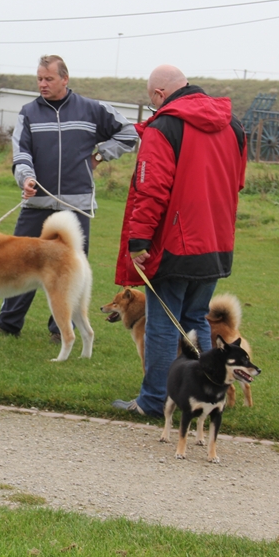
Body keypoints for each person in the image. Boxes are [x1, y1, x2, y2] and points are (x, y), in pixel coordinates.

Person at [111, 65, 247, 417]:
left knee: (161, 324)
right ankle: (202, 394)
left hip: (176, 243)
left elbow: (151, 188)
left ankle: (155, 400)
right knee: (196, 321)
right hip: (217, 241)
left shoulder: (164, 127)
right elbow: (237, 182)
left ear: (158, 95)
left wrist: (139, 240)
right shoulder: (233, 127)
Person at [0, 55, 138, 341]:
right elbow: (21, 152)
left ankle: (60, 329)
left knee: (68, 270)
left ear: (65, 79)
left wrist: (101, 154)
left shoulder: (92, 109)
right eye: (39, 79)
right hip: (37, 205)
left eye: (49, 79)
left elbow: (129, 133)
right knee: (19, 266)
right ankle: (8, 324)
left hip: (76, 206)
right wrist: (26, 178)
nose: (42, 84)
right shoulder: (28, 112)